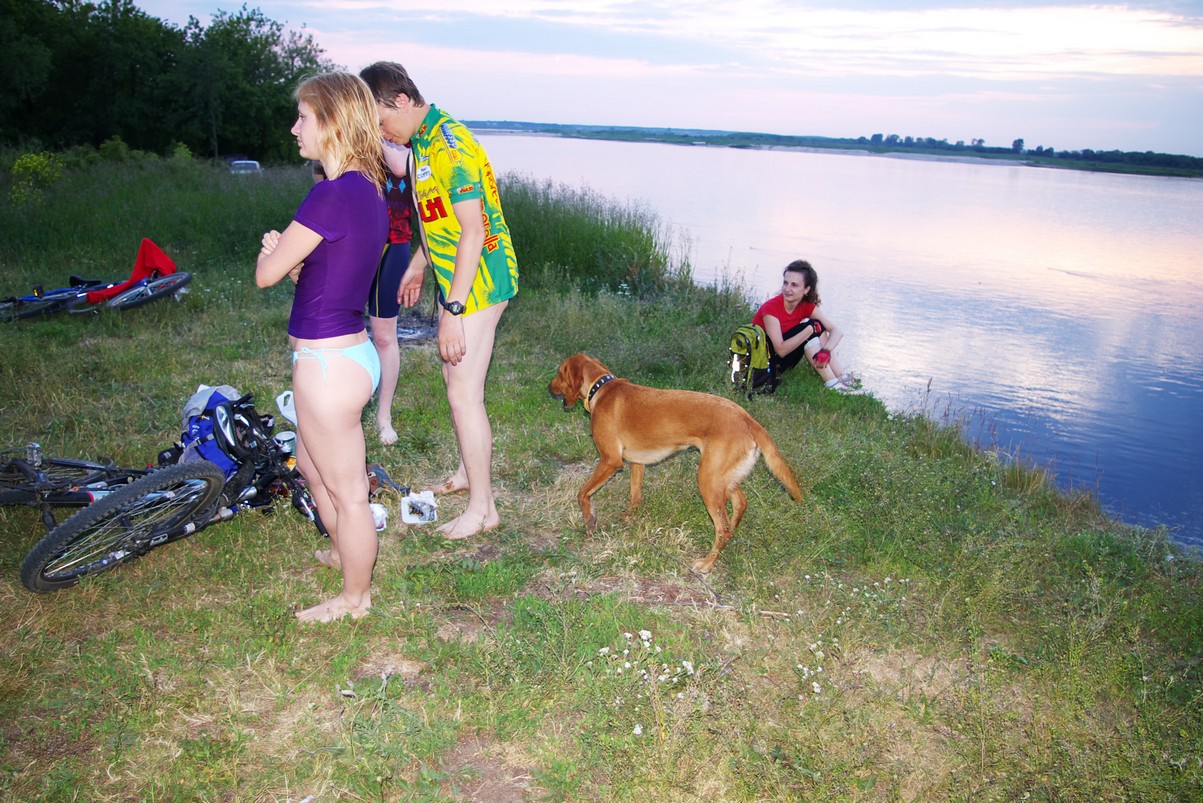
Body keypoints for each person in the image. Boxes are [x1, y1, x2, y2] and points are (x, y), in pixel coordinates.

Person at [360, 61, 519, 541]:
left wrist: (452, 311)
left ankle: (483, 509)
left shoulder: (449, 145)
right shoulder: (421, 142)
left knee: (463, 393)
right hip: (456, 279)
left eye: (381, 121)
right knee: (455, 380)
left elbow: (472, 231)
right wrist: (418, 263)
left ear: (401, 100)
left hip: (480, 283)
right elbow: (439, 220)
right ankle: (470, 473)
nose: (381, 133)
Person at [256, 72, 388, 622]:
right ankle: (341, 552)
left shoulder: (330, 194)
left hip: (327, 365)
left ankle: (356, 599)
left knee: (350, 493)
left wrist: (272, 253)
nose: (295, 128)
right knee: (313, 468)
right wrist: (293, 262)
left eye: (304, 117)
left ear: (332, 121)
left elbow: (266, 276)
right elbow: (326, 276)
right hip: (348, 353)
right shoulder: (367, 191)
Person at [752, 259, 860, 393]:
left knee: (818, 325)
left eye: (794, 285)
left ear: (806, 289)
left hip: (785, 359)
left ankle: (840, 376)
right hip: (765, 363)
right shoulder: (771, 308)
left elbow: (836, 331)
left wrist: (825, 351)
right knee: (811, 327)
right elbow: (780, 350)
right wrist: (809, 331)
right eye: (785, 283)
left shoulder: (805, 306)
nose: (787, 289)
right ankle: (833, 384)